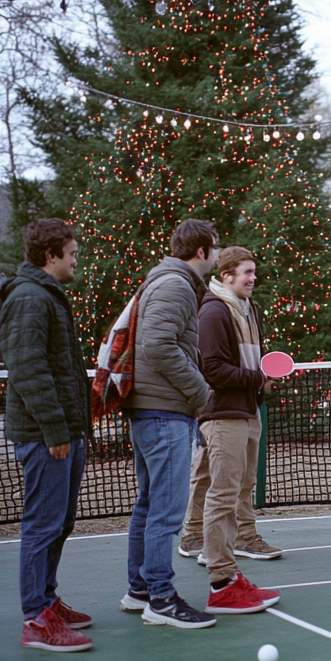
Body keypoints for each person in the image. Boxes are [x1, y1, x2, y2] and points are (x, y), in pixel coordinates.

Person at [0, 219, 93, 652]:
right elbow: (28, 370)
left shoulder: (46, 296)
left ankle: (47, 602)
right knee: (42, 525)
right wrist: (55, 429)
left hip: (64, 432)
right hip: (44, 436)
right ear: (50, 255)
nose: (76, 260)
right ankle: (36, 619)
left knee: (60, 523)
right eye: (71, 253)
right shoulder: (29, 298)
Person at [121, 219, 218, 628]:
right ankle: (160, 598)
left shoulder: (169, 282)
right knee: (165, 509)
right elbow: (158, 346)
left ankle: (140, 589)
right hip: (163, 413)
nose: (217, 252)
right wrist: (201, 391)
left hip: (155, 411)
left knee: (149, 504)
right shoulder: (176, 285)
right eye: (215, 246)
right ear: (202, 251)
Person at [177, 246, 281, 614]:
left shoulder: (250, 310)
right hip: (221, 414)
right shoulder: (213, 311)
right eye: (246, 273)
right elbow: (213, 370)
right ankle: (222, 580)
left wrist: (262, 383)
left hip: (247, 410)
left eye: (254, 272)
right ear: (226, 276)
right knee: (221, 495)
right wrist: (258, 378)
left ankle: (223, 566)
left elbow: (255, 360)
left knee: (239, 487)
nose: (253, 278)